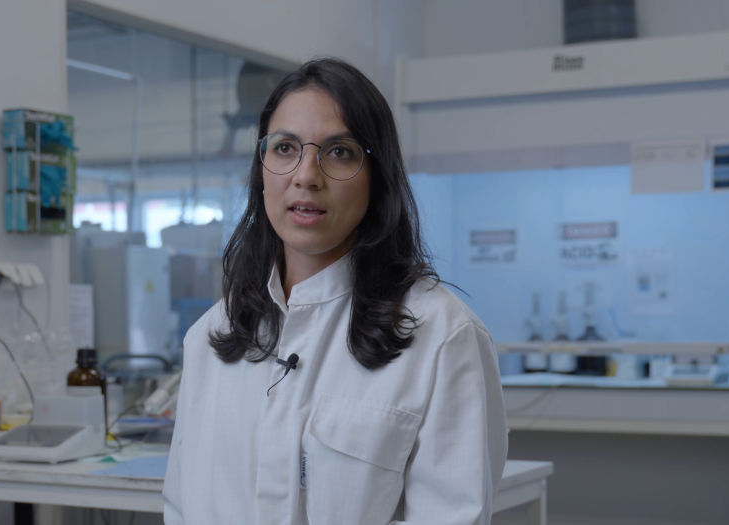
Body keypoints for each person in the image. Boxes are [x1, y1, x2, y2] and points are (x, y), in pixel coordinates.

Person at [163, 57, 508, 524]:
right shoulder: (211, 337)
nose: (306, 175)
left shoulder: (442, 337)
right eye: (285, 148)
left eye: (339, 151)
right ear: (261, 167)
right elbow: (182, 508)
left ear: (377, 176)